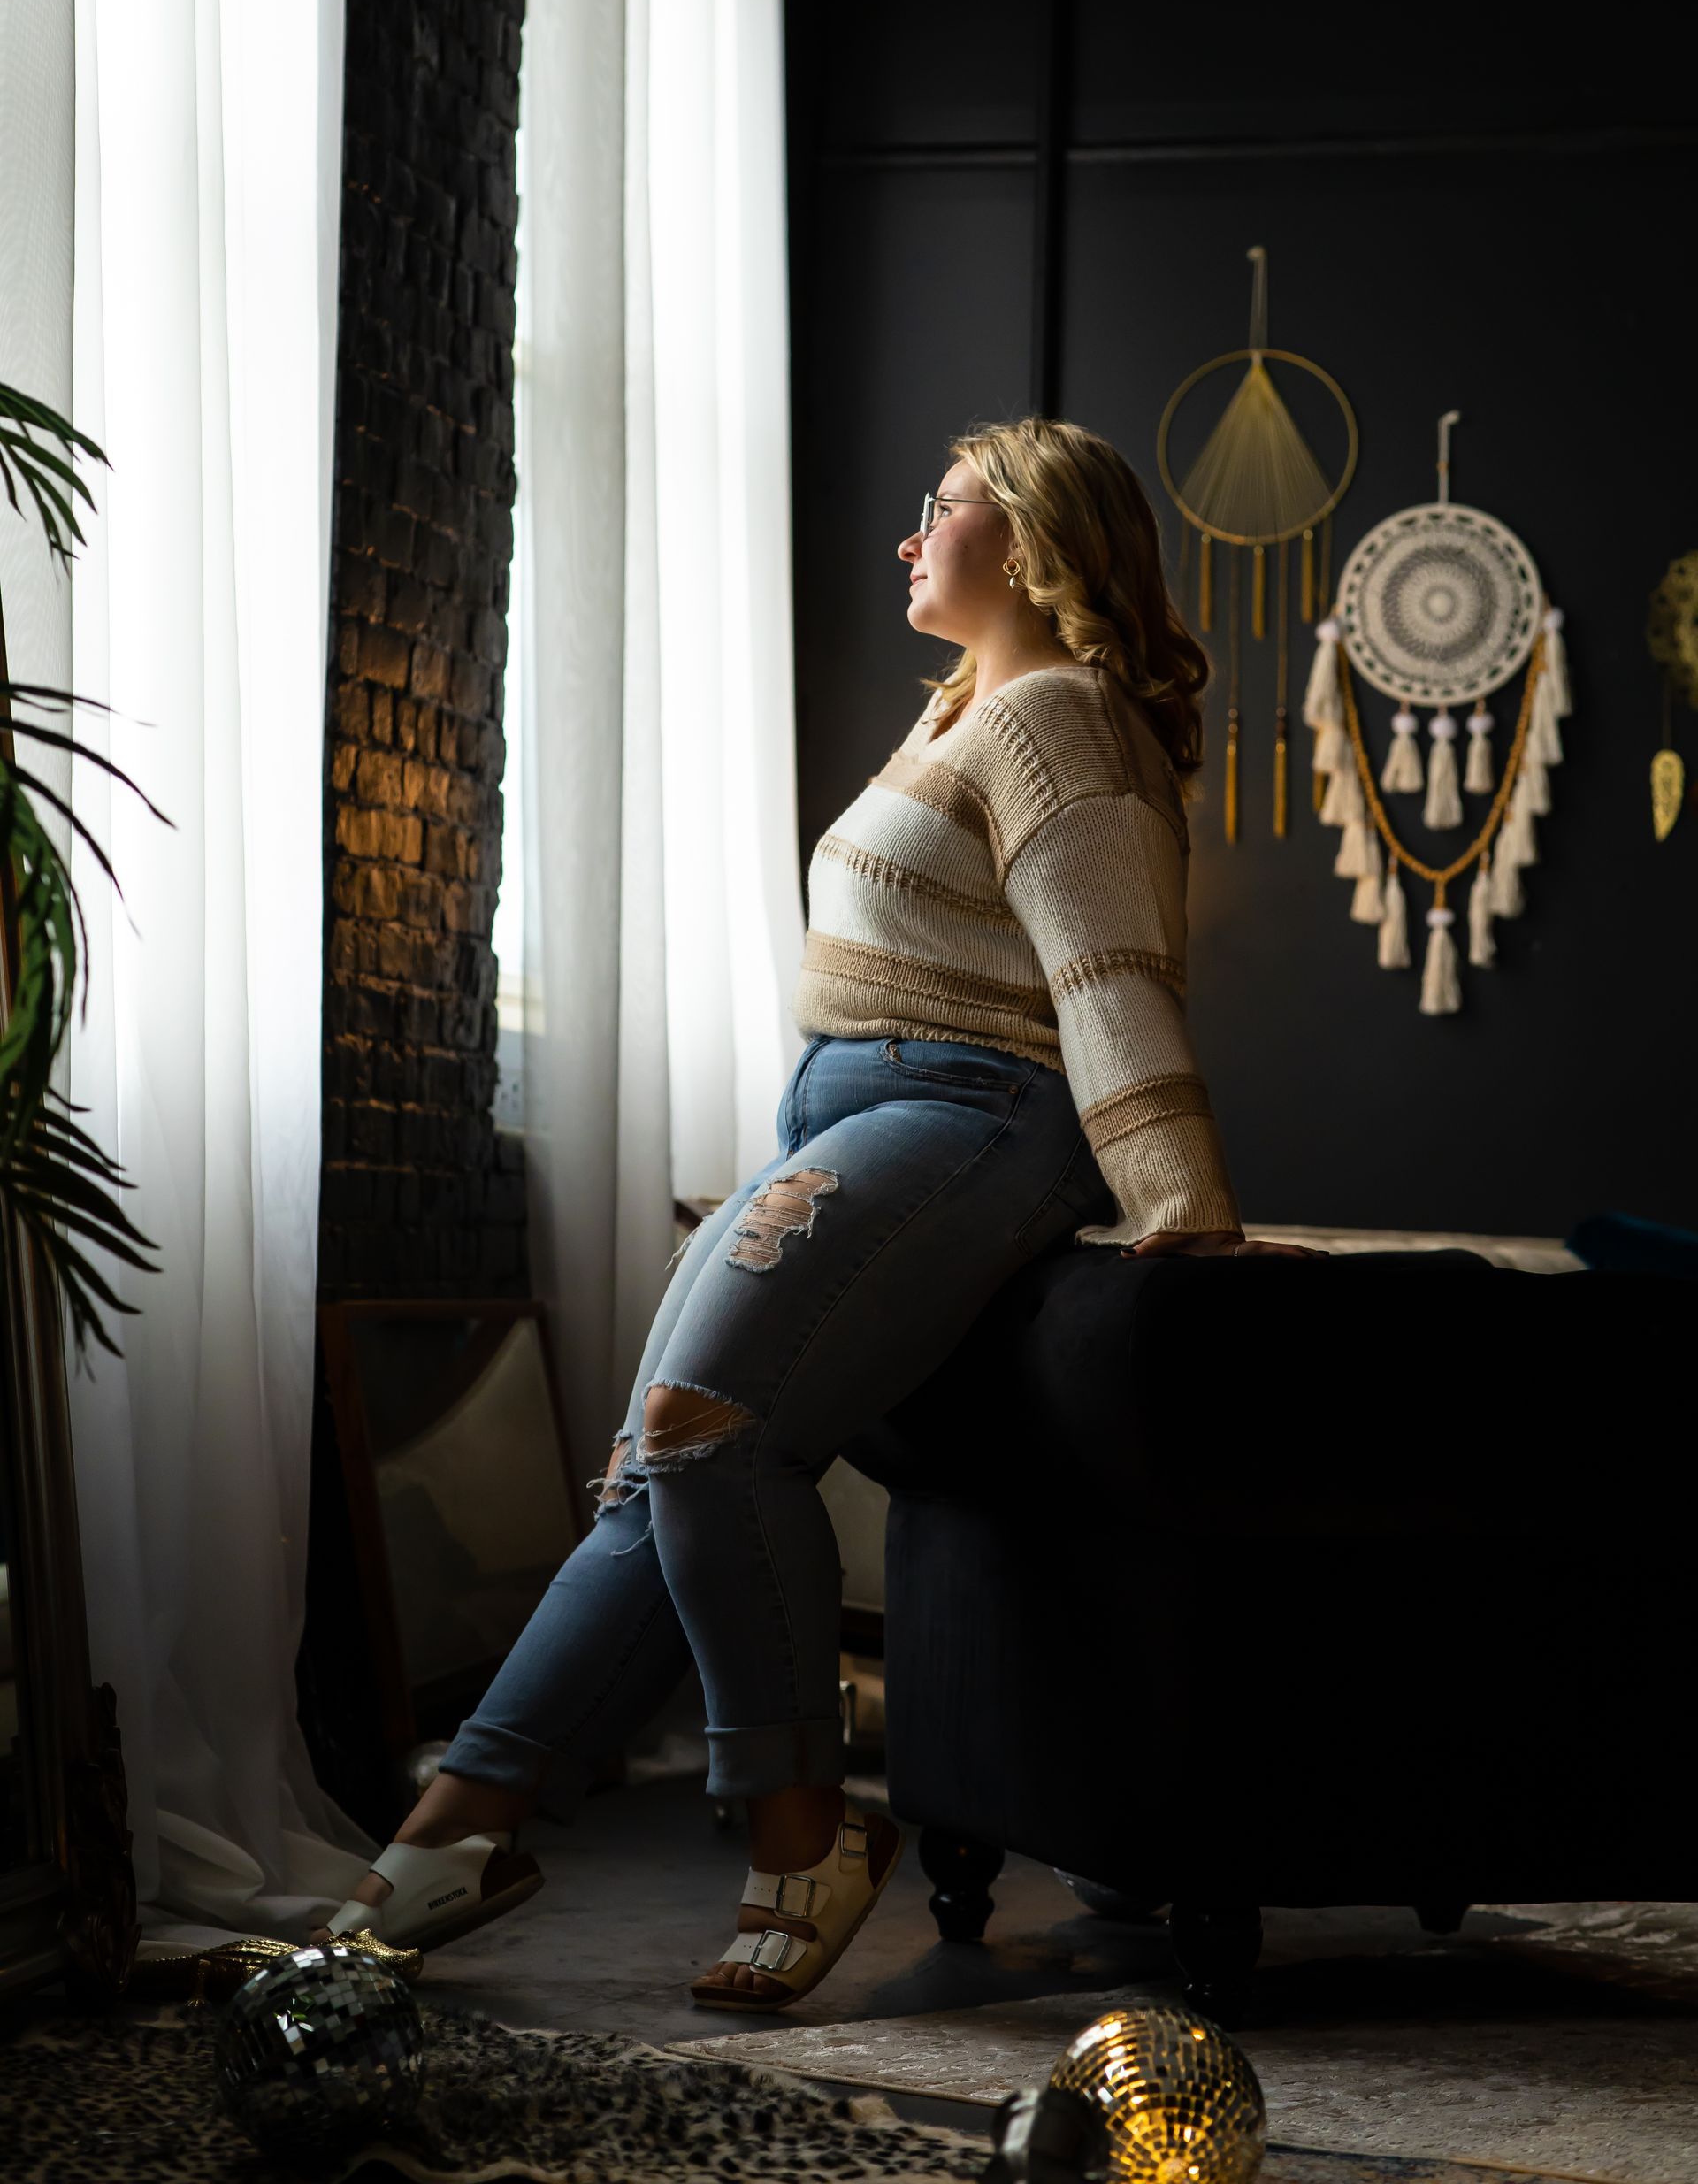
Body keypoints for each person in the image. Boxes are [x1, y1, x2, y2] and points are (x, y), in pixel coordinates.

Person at [318, 415, 1315, 2006]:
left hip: (977, 1109)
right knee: (654, 1472)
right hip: (869, 1116)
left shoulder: (1059, 716)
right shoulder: (963, 711)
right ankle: (454, 1833)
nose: (910, 535)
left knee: (704, 1428)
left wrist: (1184, 1211)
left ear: (1035, 536)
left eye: (944, 506)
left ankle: (803, 1828)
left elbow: (1112, 977)